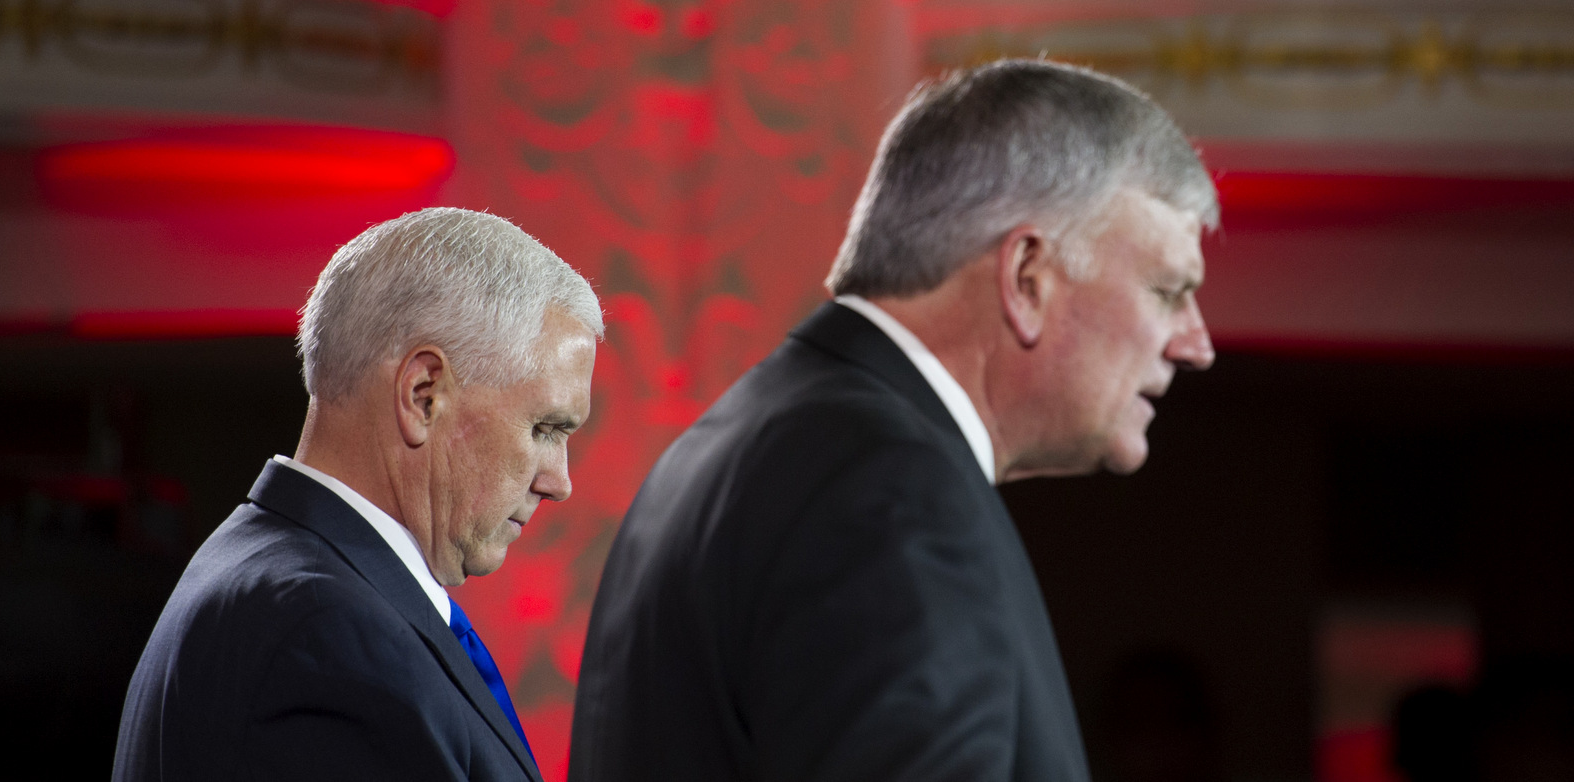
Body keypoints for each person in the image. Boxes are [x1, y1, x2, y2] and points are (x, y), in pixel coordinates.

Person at [571, 58, 1217, 781]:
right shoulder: (891, 490)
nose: (1197, 344)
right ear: (1028, 277)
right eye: (1168, 290)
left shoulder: (752, 441)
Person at [113, 208, 602, 782]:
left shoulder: (281, 581)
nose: (559, 482)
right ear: (424, 395)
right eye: (545, 428)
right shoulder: (326, 633)